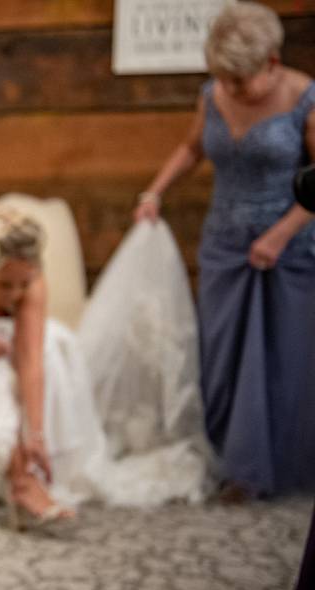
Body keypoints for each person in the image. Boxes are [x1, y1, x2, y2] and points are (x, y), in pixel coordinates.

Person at [133, 2, 315, 498]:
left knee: (281, 357)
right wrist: (155, 191)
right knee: (221, 354)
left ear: (272, 63)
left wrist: (279, 235)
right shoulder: (214, 94)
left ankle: (266, 472)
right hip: (224, 245)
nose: (230, 89)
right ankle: (227, 461)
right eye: (224, 78)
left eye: (240, 80)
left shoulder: (306, 97)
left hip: (290, 247)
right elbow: (192, 148)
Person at [0, 209, 94, 528]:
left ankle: (25, 473)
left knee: (45, 353)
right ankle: (22, 481)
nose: (15, 295)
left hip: (20, 352)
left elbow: (31, 359)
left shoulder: (32, 284)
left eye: (23, 284)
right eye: (5, 284)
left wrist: (35, 435)